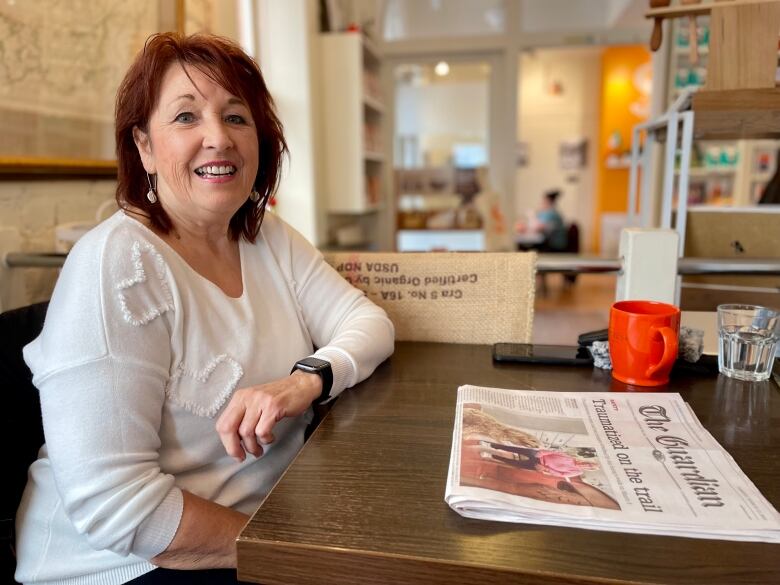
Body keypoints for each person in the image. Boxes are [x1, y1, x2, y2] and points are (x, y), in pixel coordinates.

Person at [14, 33, 394, 585]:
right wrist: (298, 554)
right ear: (144, 146)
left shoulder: (265, 237)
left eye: (237, 117)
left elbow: (368, 324)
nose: (219, 138)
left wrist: (304, 379)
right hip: (126, 564)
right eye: (186, 117)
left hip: (258, 525)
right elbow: (120, 511)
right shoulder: (116, 265)